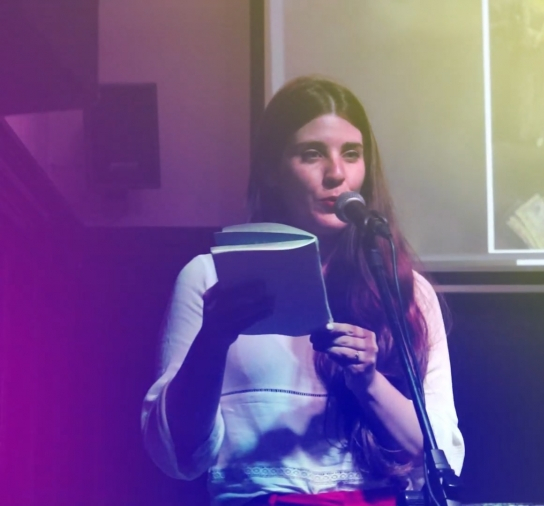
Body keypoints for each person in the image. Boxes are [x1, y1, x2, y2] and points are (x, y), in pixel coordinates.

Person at [141, 76, 464, 506]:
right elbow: (177, 452)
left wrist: (368, 381)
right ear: (273, 171)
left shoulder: (405, 289)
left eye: (352, 154)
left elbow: (439, 454)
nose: (337, 174)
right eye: (312, 154)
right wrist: (212, 340)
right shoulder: (208, 276)